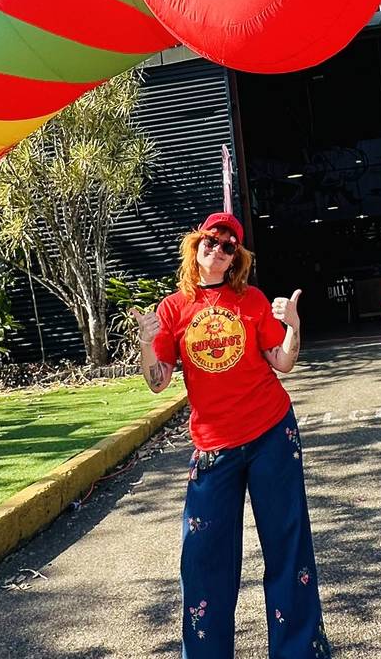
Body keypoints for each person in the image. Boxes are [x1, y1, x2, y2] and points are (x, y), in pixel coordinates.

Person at [132, 211, 331, 659]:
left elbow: (283, 361)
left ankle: (298, 652)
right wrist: (147, 341)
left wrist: (294, 328)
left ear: (235, 258)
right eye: (211, 240)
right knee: (204, 560)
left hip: (271, 434)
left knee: (287, 547)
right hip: (213, 446)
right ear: (195, 244)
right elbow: (158, 380)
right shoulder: (173, 308)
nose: (218, 249)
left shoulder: (251, 299)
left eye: (228, 246)